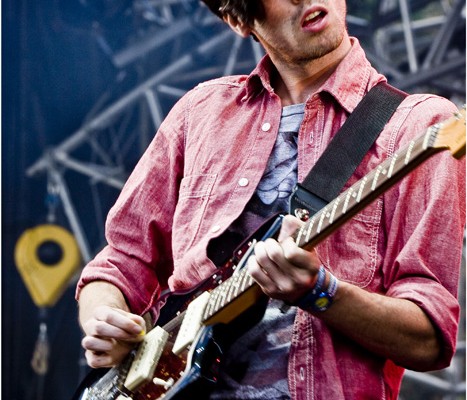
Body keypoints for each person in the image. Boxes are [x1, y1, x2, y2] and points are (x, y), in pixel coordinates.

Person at [75, 0, 466, 399]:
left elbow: (429, 339)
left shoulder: (420, 127)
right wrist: (103, 319)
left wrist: (321, 291)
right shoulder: (200, 113)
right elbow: (121, 261)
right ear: (238, 17)